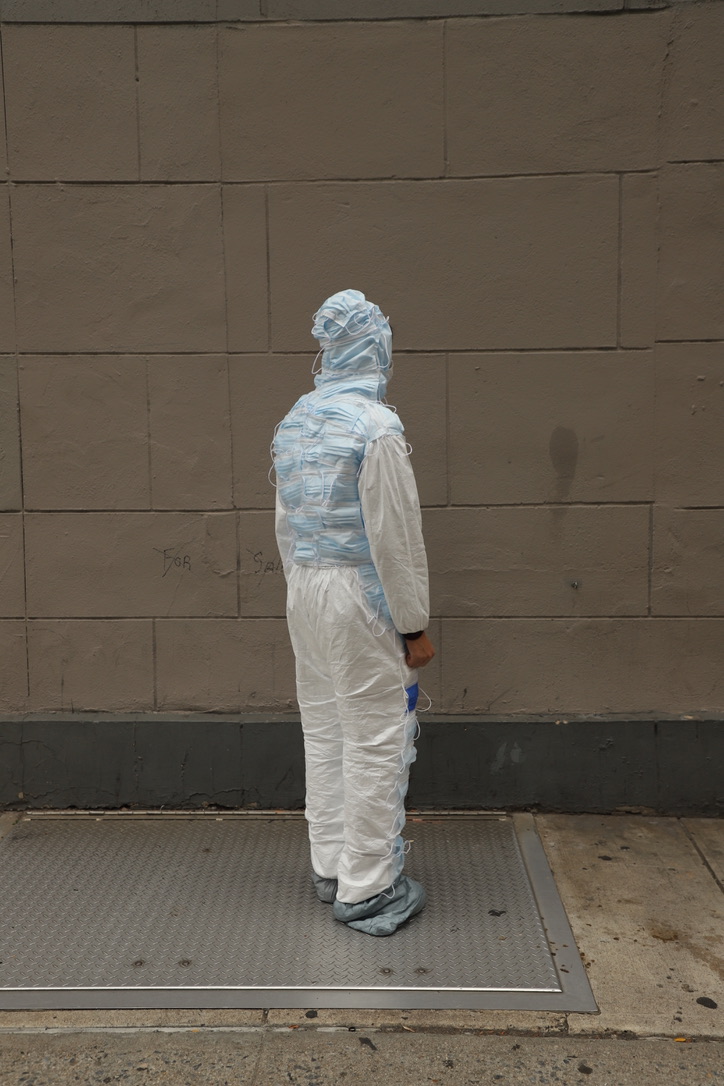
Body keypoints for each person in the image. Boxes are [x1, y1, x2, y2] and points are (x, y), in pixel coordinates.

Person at [272, 289, 435, 937]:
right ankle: (369, 886)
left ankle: (331, 865)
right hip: (358, 596)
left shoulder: (294, 421)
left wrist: (302, 595)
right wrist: (412, 625)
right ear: (375, 346)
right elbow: (395, 538)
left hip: (305, 590)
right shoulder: (375, 427)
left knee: (325, 728)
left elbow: (286, 527)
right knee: (375, 733)